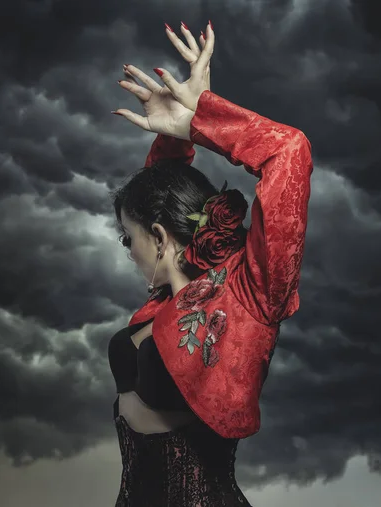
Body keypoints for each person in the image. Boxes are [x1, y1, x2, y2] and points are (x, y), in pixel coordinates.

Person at [108, 20, 313, 506]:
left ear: (158, 238)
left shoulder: (252, 292)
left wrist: (203, 117)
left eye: (127, 238)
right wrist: (174, 139)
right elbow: (158, 200)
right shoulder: (158, 306)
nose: (127, 249)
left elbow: (289, 151)